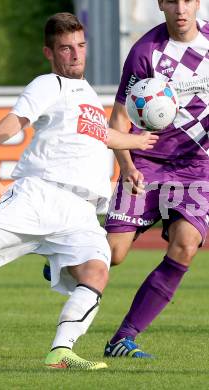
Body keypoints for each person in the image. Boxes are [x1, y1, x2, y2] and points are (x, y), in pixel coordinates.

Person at [0, 12, 157, 369]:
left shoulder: (87, 93)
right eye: (65, 48)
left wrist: (133, 155)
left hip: (81, 212)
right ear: (50, 53)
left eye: (80, 46)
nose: (75, 55)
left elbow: (102, 135)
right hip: (40, 195)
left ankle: (61, 352)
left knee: (96, 271)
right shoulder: (48, 85)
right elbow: (18, 118)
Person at [103, 0, 209, 358]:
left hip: (197, 166)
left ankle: (124, 337)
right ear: (161, 4)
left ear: (197, 3)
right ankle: (66, 253)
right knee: (112, 255)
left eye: (187, 0)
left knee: (186, 243)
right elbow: (118, 119)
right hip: (146, 163)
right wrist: (126, 165)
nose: (180, 8)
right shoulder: (145, 51)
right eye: (172, 0)